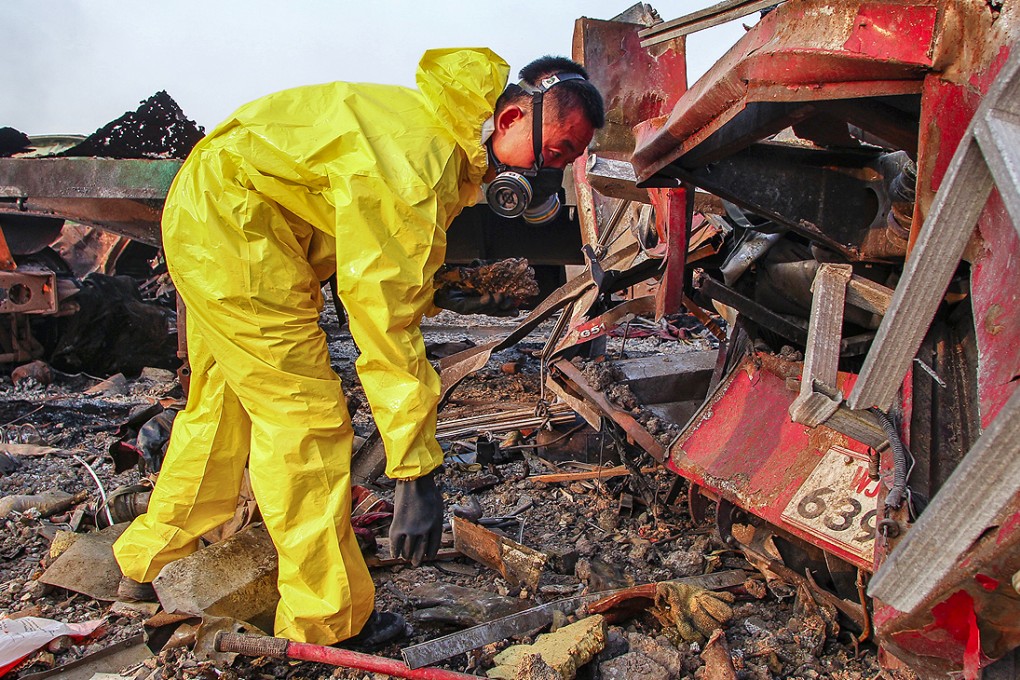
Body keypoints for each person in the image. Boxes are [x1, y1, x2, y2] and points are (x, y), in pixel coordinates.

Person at [112, 48, 604, 646]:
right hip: (239, 226)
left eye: (570, 161)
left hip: (217, 213)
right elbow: (385, 326)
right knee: (306, 418)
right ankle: (327, 621)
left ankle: (150, 560)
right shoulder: (416, 166)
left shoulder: (438, 138)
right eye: (554, 155)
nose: (551, 175)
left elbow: (379, 264)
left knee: (224, 405)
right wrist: (416, 469)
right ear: (509, 121)